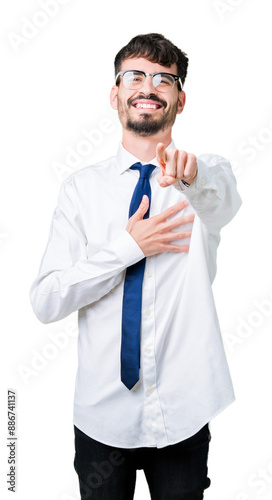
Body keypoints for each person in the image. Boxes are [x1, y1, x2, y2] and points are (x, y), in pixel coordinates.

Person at [30, 33, 242, 500]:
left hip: (184, 412)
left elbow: (222, 201)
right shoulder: (80, 190)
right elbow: (45, 301)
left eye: (164, 79)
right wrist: (127, 248)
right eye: (135, 76)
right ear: (115, 93)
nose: (148, 86)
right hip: (102, 418)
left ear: (180, 99)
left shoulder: (206, 177)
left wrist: (192, 175)